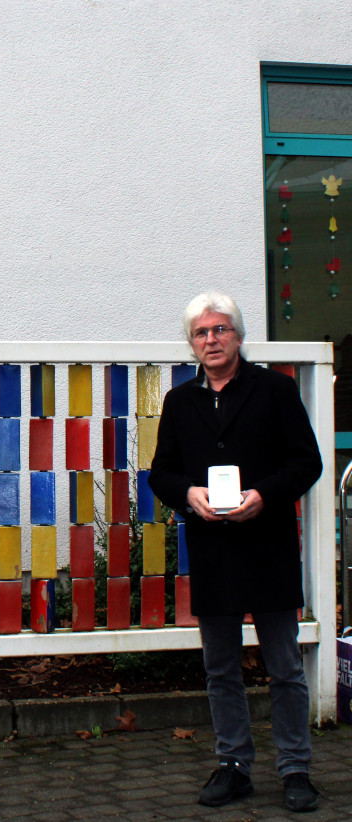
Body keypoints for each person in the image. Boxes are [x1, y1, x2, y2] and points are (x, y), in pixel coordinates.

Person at [149, 292, 323, 813]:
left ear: (238, 336)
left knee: (285, 666)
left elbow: (306, 461)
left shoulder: (275, 390)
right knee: (220, 666)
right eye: (201, 333)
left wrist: (265, 496)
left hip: (266, 544)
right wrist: (189, 495)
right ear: (192, 343)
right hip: (213, 549)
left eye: (220, 330)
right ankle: (234, 765)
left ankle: (296, 770)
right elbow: (162, 472)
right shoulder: (181, 401)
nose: (211, 340)